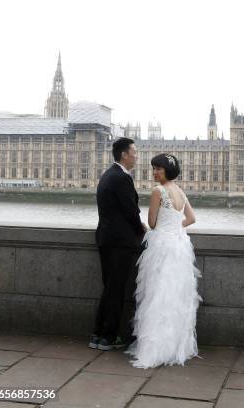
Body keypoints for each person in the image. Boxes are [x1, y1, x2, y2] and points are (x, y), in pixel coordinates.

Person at [125, 153, 202, 369]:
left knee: (157, 295)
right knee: (174, 296)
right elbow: (192, 219)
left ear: (167, 170)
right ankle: (173, 347)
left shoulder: (158, 191)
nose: (154, 172)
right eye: (154, 168)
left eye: (158, 168)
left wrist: (163, 227)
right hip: (179, 247)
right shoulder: (180, 191)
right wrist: (176, 227)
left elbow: (152, 222)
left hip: (162, 247)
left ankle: (154, 350)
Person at [91, 137, 147, 351]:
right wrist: (140, 226)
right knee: (116, 290)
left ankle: (97, 334)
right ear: (124, 154)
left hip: (105, 238)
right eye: (134, 151)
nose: (136, 155)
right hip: (119, 242)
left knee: (109, 288)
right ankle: (109, 337)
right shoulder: (122, 178)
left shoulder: (107, 175)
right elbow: (130, 209)